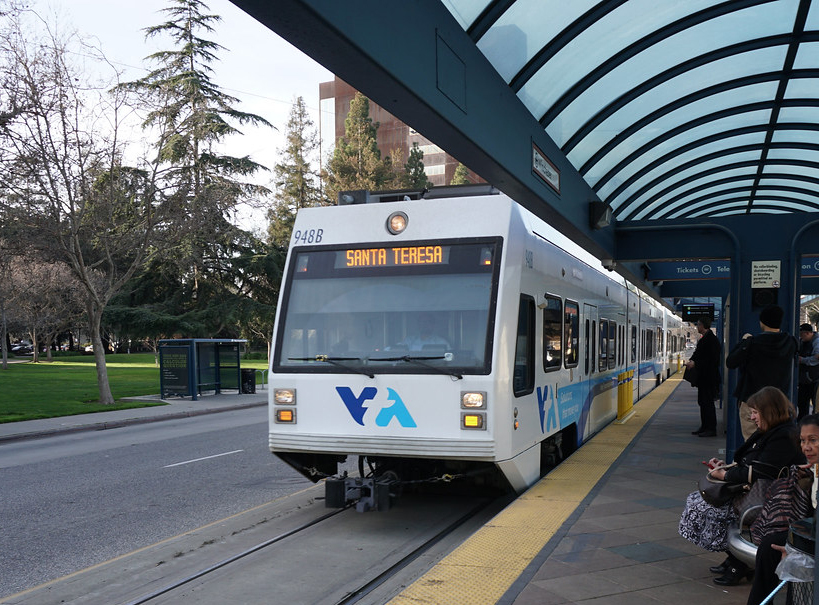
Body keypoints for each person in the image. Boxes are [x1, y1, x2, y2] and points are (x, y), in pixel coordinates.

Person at [678, 386, 802, 585]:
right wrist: (724, 467)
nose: (752, 417)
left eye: (755, 412)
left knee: (705, 509)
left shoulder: (782, 437)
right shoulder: (771, 431)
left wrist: (724, 474)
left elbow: (760, 471)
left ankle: (740, 563)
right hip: (756, 492)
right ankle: (735, 558)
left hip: (768, 499)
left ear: (769, 412)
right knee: (698, 501)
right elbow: (749, 464)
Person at [745, 414, 818, 605]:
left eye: (813, 440)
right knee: (769, 547)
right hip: (809, 536)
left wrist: (798, 551)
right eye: (803, 441)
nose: (806, 447)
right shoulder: (813, 470)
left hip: (812, 543)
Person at [726, 305, 799, 439]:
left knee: (752, 442)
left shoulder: (752, 342)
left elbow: (731, 362)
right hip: (778, 403)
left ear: (762, 322)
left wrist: (744, 341)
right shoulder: (791, 342)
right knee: (775, 440)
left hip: (752, 402)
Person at [686, 316, 721, 437]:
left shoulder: (712, 340)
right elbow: (698, 354)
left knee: (708, 403)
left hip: (709, 378)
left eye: (698, 325)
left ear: (703, 326)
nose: (697, 327)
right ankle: (704, 426)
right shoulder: (705, 339)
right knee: (702, 402)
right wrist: (692, 361)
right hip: (704, 378)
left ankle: (711, 428)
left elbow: (713, 360)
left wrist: (695, 363)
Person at [796, 323, 819, 420]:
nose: (801, 337)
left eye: (802, 334)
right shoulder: (802, 341)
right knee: (802, 405)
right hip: (803, 379)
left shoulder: (817, 342)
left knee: (815, 405)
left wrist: (803, 360)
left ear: (809, 333)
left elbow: (817, 358)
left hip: (815, 379)